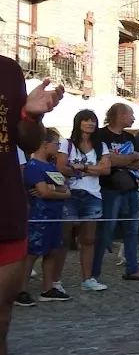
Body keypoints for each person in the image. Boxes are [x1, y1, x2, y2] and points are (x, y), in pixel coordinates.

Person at [0, 67, 64, 355]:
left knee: (1, 318)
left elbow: (26, 142)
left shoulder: (8, 72)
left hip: (5, 210)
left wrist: (31, 116)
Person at [54, 109, 111, 292]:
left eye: (93, 120)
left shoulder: (101, 146)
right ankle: (55, 280)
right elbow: (62, 167)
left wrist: (81, 166)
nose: (90, 123)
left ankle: (87, 279)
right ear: (78, 123)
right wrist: (92, 168)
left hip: (92, 194)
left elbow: (106, 170)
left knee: (88, 239)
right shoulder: (67, 144)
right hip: (70, 193)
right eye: (86, 120)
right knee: (63, 238)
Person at [93, 102, 139, 282]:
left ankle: (132, 269)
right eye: (131, 115)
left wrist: (123, 160)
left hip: (130, 188)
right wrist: (130, 158)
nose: (133, 119)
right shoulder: (100, 135)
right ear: (121, 115)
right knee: (105, 230)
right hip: (109, 189)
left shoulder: (130, 138)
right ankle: (94, 273)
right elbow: (108, 162)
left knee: (132, 230)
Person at [16, 128, 71, 308]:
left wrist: (53, 190)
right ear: (45, 144)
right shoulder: (33, 167)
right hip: (38, 216)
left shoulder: (51, 166)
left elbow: (65, 189)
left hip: (54, 216)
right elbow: (43, 191)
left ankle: (48, 289)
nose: (58, 148)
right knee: (31, 254)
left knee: (53, 251)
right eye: (56, 144)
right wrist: (54, 190)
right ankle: (20, 291)